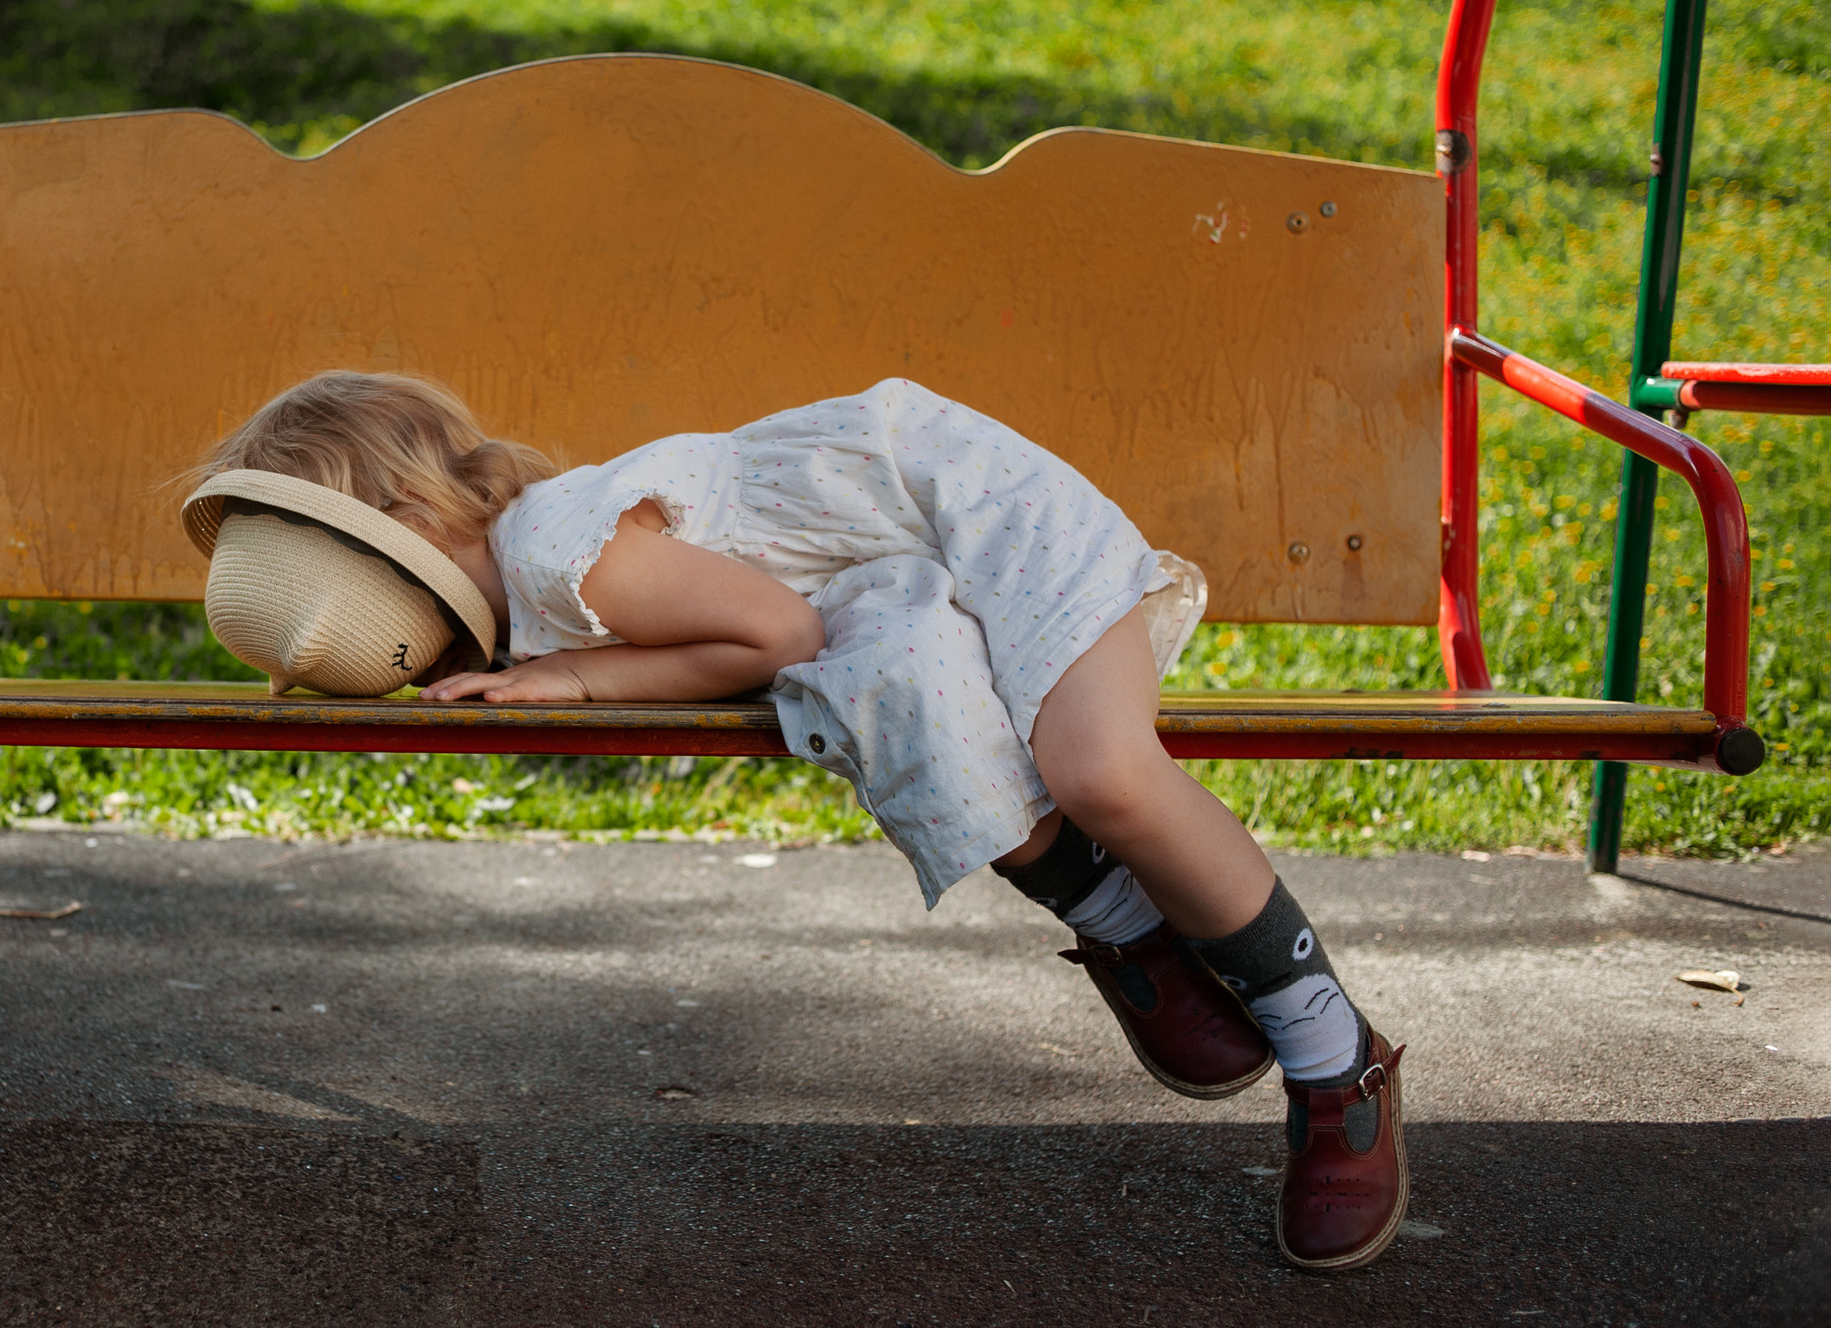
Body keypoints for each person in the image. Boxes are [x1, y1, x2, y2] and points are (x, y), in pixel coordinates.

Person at [182, 369, 1408, 1274]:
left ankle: (1330, 1051)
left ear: (408, 516)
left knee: (1102, 775)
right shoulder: (530, 588)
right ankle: (1131, 926)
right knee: (909, 696)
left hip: (974, 512)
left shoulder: (560, 551)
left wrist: (577, 680)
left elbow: (777, 632)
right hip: (888, 587)